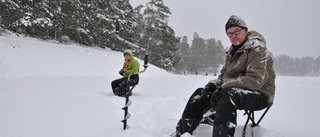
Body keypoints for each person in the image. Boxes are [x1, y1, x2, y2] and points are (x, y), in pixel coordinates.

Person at [172, 15, 276, 137]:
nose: (233, 36)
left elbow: (255, 80)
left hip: (260, 94)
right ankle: (182, 133)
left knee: (227, 95)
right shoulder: (231, 51)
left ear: (245, 31)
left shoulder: (258, 49)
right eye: (230, 34)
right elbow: (223, 76)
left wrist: (223, 88)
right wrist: (211, 86)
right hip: (232, 90)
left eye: (237, 32)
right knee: (200, 93)